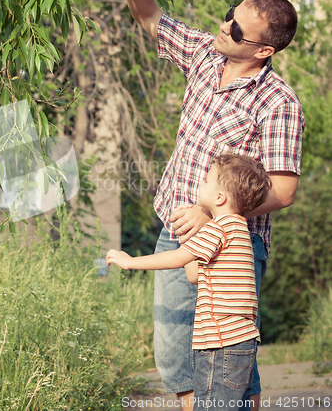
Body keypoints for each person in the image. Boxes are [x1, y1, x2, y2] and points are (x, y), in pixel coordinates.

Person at [124, 0, 305, 411]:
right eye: (230, 16)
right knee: (174, 357)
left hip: (232, 244)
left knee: (228, 360)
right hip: (176, 227)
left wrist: (214, 210)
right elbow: (148, 16)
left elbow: (282, 191)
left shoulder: (278, 102)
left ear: (264, 50)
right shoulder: (206, 53)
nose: (226, 28)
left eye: (239, 30)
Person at [107, 153, 272, 411]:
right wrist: (189, 238)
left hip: (220, 345)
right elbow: (194, 275)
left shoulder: (217, 229)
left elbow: (176, 259)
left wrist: (129, 261)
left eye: (206, 181)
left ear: (220, 197)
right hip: (241, 344)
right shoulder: (239, 230)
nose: (201, 185)